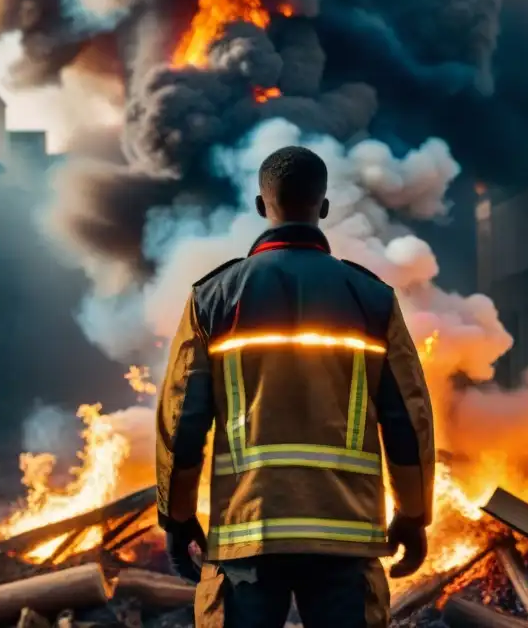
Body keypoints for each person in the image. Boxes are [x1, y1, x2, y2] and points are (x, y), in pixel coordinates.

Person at [155, 146, 436, 627]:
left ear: (261, 206)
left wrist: (177, 516)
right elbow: (407, 418)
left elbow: (183, 421)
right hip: (345, 541)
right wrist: (413, 512)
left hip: (248, 534)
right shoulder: (371, 298)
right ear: (323, 207)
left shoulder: (214, 298)